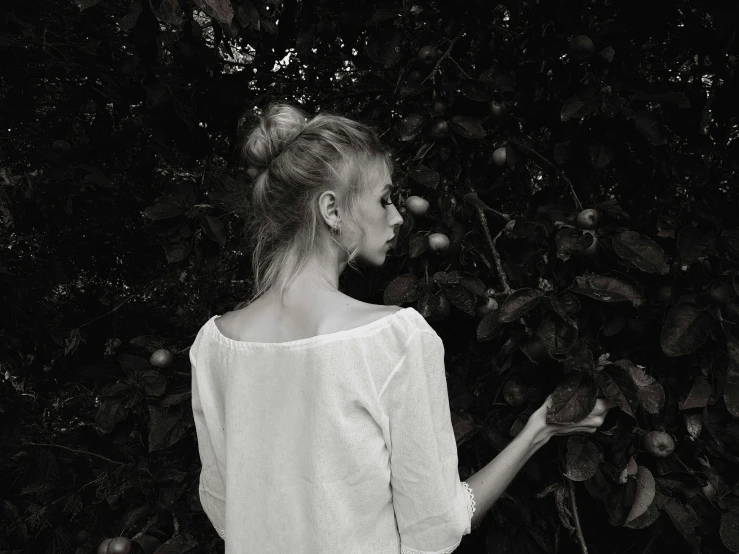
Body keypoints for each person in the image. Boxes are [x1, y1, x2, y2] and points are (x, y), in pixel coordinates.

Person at [189, 102, 616, 554]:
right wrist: (538, 431)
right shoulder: (393, 340)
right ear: (331, 209)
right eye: (384, 198)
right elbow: (436, 525)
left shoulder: (214, 346)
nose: (396, 217)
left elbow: (225, 509)